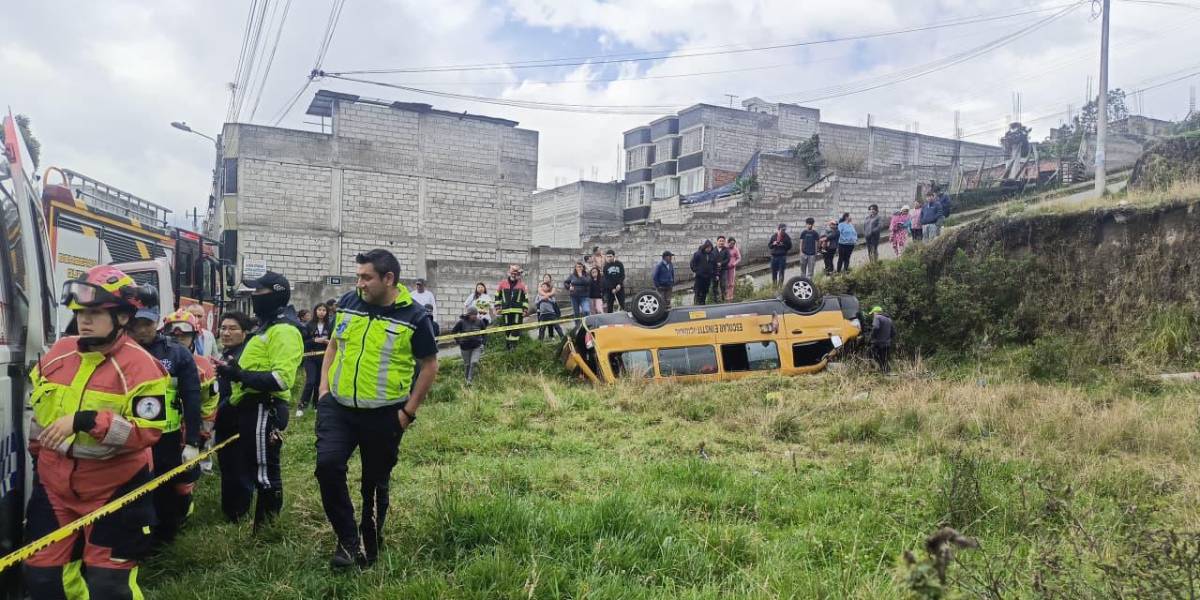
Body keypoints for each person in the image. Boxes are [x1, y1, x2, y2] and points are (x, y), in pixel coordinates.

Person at [22, 265, 169, 599]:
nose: (83, 320)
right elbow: (36, 412)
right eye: (80, 312)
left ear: (122, 317)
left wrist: (89, 421)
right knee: (42, 578)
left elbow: (147, 433)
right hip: (54, 488)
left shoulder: (143, 367)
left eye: (94, 312)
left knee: (109, 587)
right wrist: (38, 457)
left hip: (115, 491)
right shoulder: (59, 353)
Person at [317, 248, 438, 568]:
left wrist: (408, 412)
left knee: (373, 483)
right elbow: (333, 345)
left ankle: (369, 542)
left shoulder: (414, 316)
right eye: (358, 276)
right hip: (338, 408)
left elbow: (429, 365)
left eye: (366, 277)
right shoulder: (348, 303)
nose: (360, 283)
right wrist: (323, 390)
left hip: (385, 414)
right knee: (327, 466)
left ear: (388, 279)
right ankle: (346, 540)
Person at [216, 271, 304, 531]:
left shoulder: (284, 330)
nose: (254, 296)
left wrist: (239, 374)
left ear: (275, 294)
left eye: (259, 292)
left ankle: (266, 532)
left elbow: (281, 379)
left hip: (264, 407)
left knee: (265, 473)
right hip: (248, 406)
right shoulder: (267, 327)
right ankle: (260, 525)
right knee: (254, 468)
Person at [127, 292, 202, 547]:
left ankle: (164, 538)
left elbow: (192, 399)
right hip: (129, 436)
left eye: (147, 324)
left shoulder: (177, 354)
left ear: (156, 322)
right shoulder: (120, 352)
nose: (141, 330)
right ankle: (137, 537)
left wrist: (192, 441)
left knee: (165, 489)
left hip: (165, 437)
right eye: (135, 324)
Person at [161, 308, 219, 524]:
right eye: (172, 335)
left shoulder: (203, 367)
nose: (178, 340)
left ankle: (183, 512)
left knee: (184, 477)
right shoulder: (156, 361)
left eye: (183, 335)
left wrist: (201, 436)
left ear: (194, 336)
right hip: (163, 431)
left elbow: (209, 403)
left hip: (190, 430)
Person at [214, 311, 254, 522]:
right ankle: (229, 509)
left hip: (237, 418)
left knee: (239, 465)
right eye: (223, 328)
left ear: (245, 333)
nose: (226, 333)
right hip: (223, 417)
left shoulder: (244, 356)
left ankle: (239, 513)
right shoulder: (226, 353)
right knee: (226, 464)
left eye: (232, 328)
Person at [298, 303, 333, 417]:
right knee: (310, 381)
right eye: (319, 309)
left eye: (324, 310)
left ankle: (316, 405)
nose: (321, 312)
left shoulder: (330, 325)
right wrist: (314, 340)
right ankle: (302, 406)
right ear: (315, 311)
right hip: (311, 357)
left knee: (319, 382)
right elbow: (304, 343)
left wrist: (328, 342)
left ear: (327, 312)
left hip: (324, 357)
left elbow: (334, 342)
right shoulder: (308, 325)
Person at [495, 265, 530, 349]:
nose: (514, 275)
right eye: (512, 273)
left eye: (515, 273)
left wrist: (525, 310)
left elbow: (526, 298)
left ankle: (513, 346)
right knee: (507, 329)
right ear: (509, 273)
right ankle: (508, 346)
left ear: (518, 274)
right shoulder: (502, 284)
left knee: (516, 328)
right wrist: (498, 307)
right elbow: (497, 296)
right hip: (506, 310)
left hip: (518, 311)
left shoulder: (522, 285)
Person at [452, 307, 486, 383]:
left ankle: (470, 380)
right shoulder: (461, 322)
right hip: (465, 347)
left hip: (476, 346)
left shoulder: (480, 322)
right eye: (473, 314)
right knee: (467, 365)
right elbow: (453, 332)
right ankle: (466, 380)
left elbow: (485, 334)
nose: (474, 316)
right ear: (468, 314)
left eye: (476, 314)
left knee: (474, 362)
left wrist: (483, 344)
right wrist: (459, 341)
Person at [868, 306, 895, 373]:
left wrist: (871, 337)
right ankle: (887, 373)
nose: (873, 315)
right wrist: (888, 339)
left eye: (873, 313)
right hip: (887, 344)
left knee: (870, 354)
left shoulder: (877, 317)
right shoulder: (889, 319)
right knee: (884, 360)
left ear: (876, 312)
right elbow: (894, 332)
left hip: (878, 343)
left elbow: (875, 328)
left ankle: (874, 370)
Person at [690, 240, 716, 306]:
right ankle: (696, 304)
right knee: (698, 291)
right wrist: (697, 271)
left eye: (710, 248)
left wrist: (713, 273)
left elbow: (714, 265)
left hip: (708, 277)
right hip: (700, 277)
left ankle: (703, 304)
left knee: (705, 291)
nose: (709, 249)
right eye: (707, 248)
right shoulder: (698, 254)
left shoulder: (712, 255)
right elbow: (692, 264)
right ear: (704, 247)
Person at [711, 236, 731, 304]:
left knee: (723, 284)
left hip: (723, 270)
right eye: (720, 241)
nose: (721, 242)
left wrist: (721, 263)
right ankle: (715, 299)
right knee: (715, 285)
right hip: (714, 270)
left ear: (724, 242)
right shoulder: (713, 249)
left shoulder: (726, 250)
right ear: (717, 242)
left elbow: (728, 259)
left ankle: (723, 298)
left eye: (723, 241)